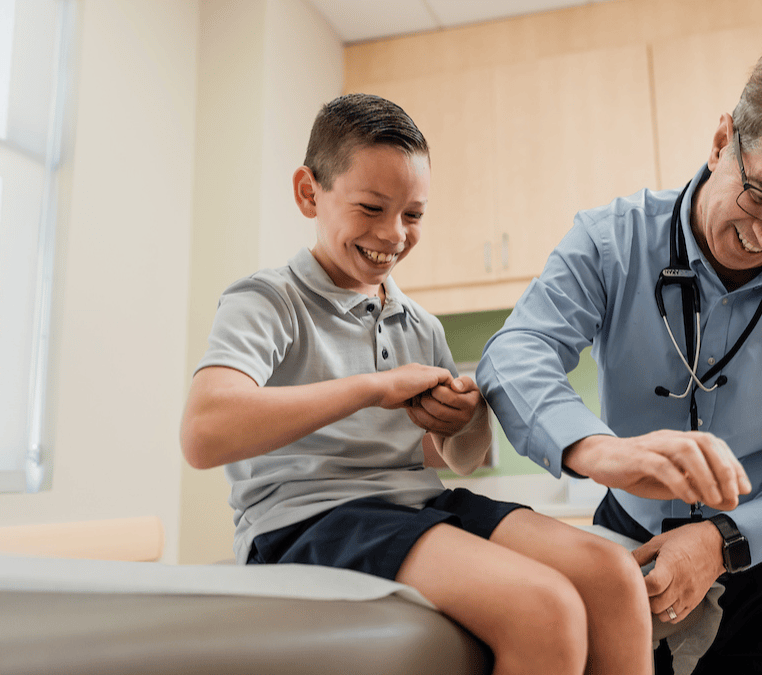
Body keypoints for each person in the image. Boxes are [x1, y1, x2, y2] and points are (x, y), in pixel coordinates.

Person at [477, 29, 762, 675]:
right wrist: (602, 451)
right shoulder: (610, 242)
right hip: (631, 544)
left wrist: (723, 540)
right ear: (721, 141)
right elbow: (518, 350)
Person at [180, 93, 652, 675]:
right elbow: (204, 433)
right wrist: (373, 387)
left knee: (613, 577)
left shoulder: (418, 324)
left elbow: (458, 461)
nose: (394, 233)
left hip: (418, 503)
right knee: (544, 607)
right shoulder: (268, 300)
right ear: (309, 192)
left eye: (414, 214)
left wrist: (464, 418)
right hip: (305, 520)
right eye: (372, 208)